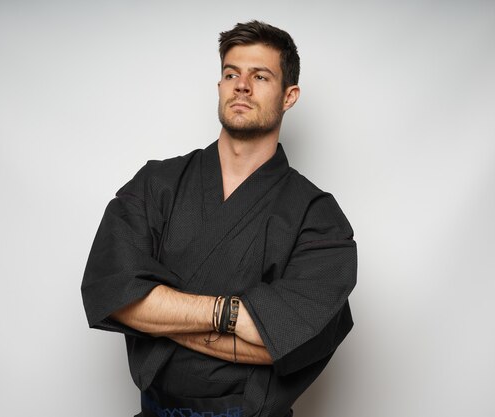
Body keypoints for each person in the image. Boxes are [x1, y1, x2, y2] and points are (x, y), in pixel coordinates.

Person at [81, 20, 357, 417]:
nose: (241, 85)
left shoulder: (318, 216)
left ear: (289, 95)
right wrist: (228, 316)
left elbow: (297, 339)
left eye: (260, 76)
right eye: (231, 74)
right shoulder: (156, 183)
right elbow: (114, 293)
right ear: (220, 87)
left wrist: (163, 317)